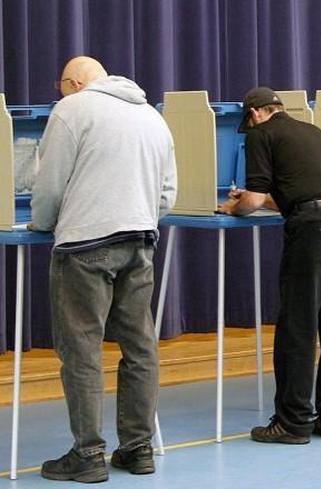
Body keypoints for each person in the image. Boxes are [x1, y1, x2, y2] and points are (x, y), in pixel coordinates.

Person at [31, 56, 176, 482]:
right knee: (139, 348)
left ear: (73, 83)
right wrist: (141, 216)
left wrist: (43, 223)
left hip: (86, 244)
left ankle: (88, 454)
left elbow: (50, 182)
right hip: (140, 241)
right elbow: (168, 192)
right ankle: (137, 449)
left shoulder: (73, 110)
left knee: (82, 350)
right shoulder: (151, 115)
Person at [219, 87, 321, 443]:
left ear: (254, 115)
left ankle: (292, 422)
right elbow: (300, 193)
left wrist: (233, 206)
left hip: (314, 229)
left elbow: (250, 200)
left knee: (298, 324)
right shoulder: (311, 130)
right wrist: (263, 200)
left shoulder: (261, 135)